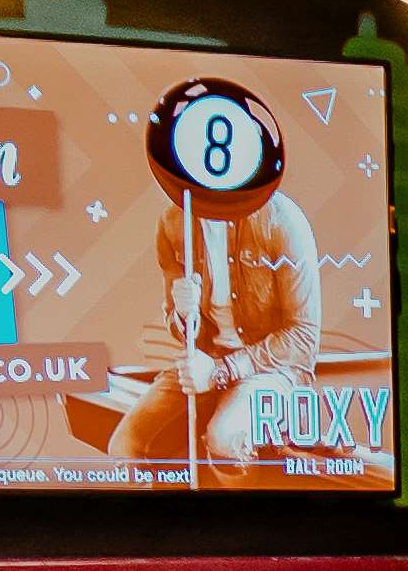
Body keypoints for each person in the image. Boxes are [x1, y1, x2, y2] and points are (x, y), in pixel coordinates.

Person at [109, 79, 326, 475]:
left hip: (273, 369)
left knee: (224, 440)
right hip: (205, 361)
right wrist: (181, 314)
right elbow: (180, 327)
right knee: (125, 444)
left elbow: (303, 339)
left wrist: (223, 372)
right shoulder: (173, 223)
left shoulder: (283, 223)